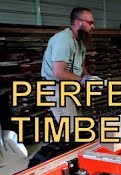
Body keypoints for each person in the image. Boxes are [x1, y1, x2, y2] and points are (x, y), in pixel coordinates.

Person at [41, 7, 102, 135]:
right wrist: (82, 80)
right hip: (56, 87)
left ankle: (59, 148)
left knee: (76, 121)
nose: (93, 26)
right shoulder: (63, 40)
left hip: (69, 85)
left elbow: (80, 63)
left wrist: (88, 76)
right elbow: (59, 73)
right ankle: (60, 154)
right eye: (90, 22)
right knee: (70, 127)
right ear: (79, 22)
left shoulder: (81, 40)